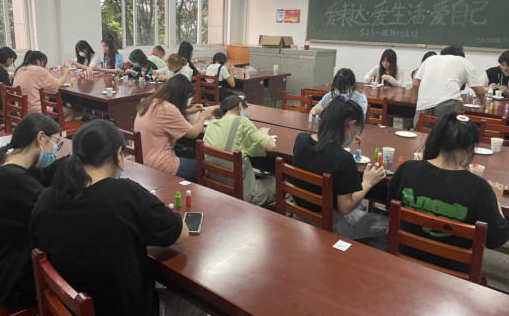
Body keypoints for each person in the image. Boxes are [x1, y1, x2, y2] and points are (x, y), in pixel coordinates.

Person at [31, 120, 202, 316]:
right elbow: (181, 233)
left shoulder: (45, 199)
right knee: (202, 303)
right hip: (126, 310)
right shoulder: (124, 194)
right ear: (118, 154)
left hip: (70, 306)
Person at [388, 113, 509, 272]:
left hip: (404, 260)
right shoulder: (479, 188)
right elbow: (496, 240)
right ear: (470, 147)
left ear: (437, 139)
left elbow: (390, 208)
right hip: (452, 274)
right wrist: (496, 201)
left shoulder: (407, 170)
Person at [0, 113, 63, 307]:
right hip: (7, 280)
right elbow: (55, 214)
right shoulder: (16, 181)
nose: (55, 150)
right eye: (56, 143)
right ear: (40, 137)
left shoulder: (5, 162)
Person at [292, 96, 388, 246]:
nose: (356, 134)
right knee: (387, 225)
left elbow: (321, 154)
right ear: (352, 125)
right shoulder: (344, 159)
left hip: (299, 217)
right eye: (357, 130)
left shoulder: (301, 140)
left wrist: (340, 146)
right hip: (330, 226)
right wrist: (367, 183)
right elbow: (345, 208)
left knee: (361, 208)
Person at [134, 75, 213, 182]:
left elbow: (166, 118)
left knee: (191, 155)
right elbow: (193, 133)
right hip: (157, 165)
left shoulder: (150, 102)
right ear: (181, 96)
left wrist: (189, 111)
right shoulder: (168, 109)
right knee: (205, 167)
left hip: (140, 158)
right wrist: (203, 117)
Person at [203, 95, 276, 207]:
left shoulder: (212, 123)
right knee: (285, 184)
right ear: (240, 106)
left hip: (214, 188)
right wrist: (265, 133)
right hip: (241, 194)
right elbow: (271, 147)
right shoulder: (242, 122)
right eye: (246, 110)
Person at [411, 46, 485, 130]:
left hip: (424, 103)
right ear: (461, 56)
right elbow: (480, 91)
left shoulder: (429, 59)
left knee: (420, 133)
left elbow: (415, 84)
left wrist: (415, 104)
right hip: (448, 102)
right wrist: (483, 102)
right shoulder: (463, 61)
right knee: (445, 134)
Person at [13, 51, 73, 119]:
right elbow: (59, 84)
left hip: (20, 110)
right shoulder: (38, 70)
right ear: (37, 61)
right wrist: (66, 72)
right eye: (42, 62)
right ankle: (55, 126)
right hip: (37, 111)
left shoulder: (19, 70)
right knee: (71, 111)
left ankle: (52, 124)